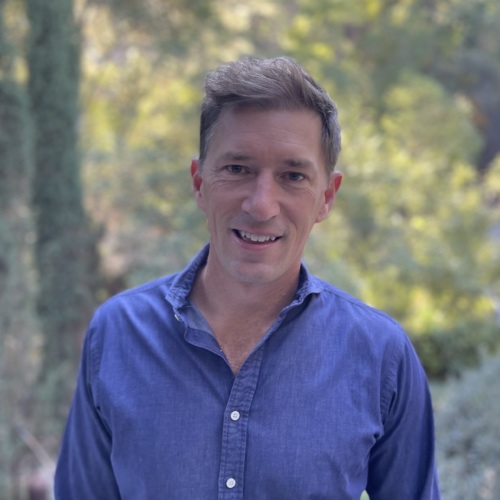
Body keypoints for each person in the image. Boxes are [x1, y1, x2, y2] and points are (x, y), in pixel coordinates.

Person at [54, 56, 441, 499]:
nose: (261, 205)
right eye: (238, 169)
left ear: (326, 198)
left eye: (293, 176)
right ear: (200, 183)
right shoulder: (118, 333)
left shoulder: (381, 356)